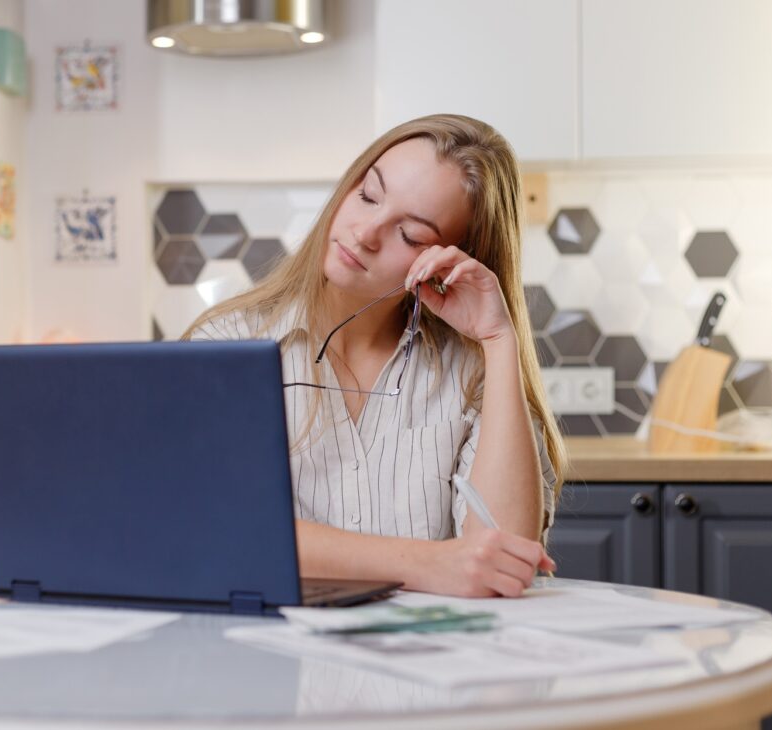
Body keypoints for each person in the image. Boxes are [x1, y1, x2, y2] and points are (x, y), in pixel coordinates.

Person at [185, 114, 566, 598]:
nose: (365, 233)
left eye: (410, 235)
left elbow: (504, 563)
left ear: (452, 260)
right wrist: (428, 564)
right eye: (368, 194)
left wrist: (498, 338)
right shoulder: (223, 347)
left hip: (433, 667)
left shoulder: (473, 376)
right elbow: (216, 533)